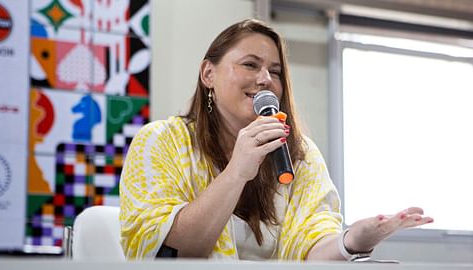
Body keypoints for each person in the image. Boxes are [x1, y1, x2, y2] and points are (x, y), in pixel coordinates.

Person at [119, 19, 433, 260]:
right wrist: (237, 171)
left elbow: (310, 250)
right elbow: (172, 249)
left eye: (276, 71)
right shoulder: (159, 141)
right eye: (250, 65)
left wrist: (352, 241)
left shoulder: (300, 153)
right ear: (208, 75)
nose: (266, 80)